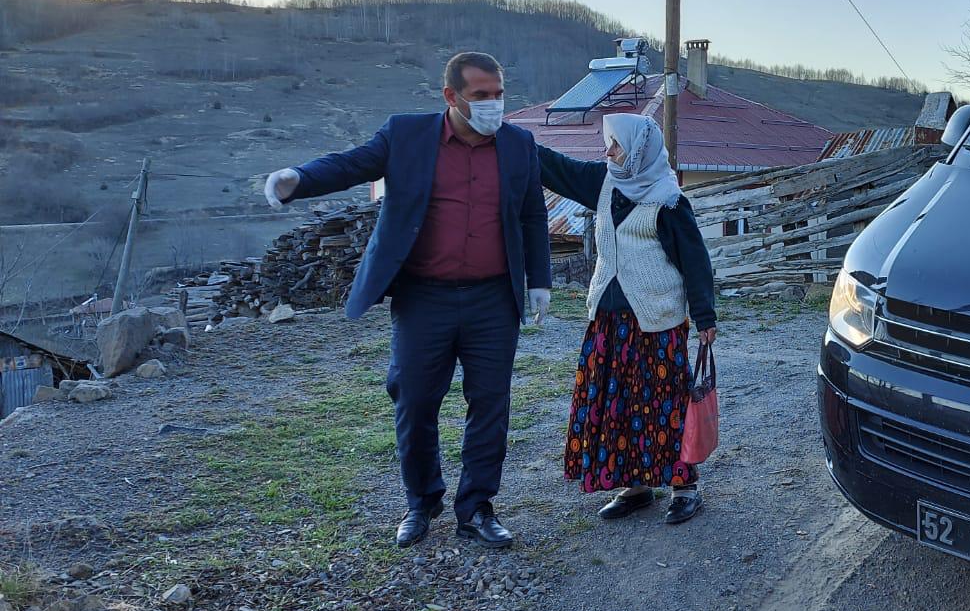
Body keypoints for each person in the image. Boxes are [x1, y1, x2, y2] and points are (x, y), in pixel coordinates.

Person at [262, 51, 552, 549]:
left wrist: (539, 279)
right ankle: (422, 501)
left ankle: (477, 507)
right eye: (480, 96)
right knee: (414, 401)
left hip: (491, 299)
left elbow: (530, 216)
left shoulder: (518, 145)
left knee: (490, 404)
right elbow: (351, 164)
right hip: (424, 299)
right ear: (451, 96)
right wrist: (298, 179)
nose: (493, 105)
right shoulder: (407, 135)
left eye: (499, 93)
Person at [538, 113, 716, 524]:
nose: (608, 151)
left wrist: (705, 318)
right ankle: (635, 486)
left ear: (638, 149)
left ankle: (684, 486)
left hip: (656, 322)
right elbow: (553, 166)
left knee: (664, 403)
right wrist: (506, 137)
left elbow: (695, 262)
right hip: (608, 321)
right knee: (616, 404)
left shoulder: (669, 201)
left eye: (616, 144)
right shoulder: (603, 183)